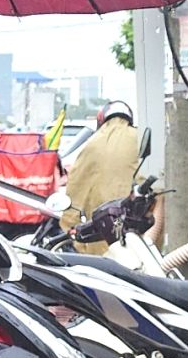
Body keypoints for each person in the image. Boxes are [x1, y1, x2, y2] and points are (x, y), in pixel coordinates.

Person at [60, 100, 142, 254]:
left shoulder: (92, 143)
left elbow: (75, 190)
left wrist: (71, 230)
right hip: (137, 227)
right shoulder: (139, 137)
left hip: (103, 229)